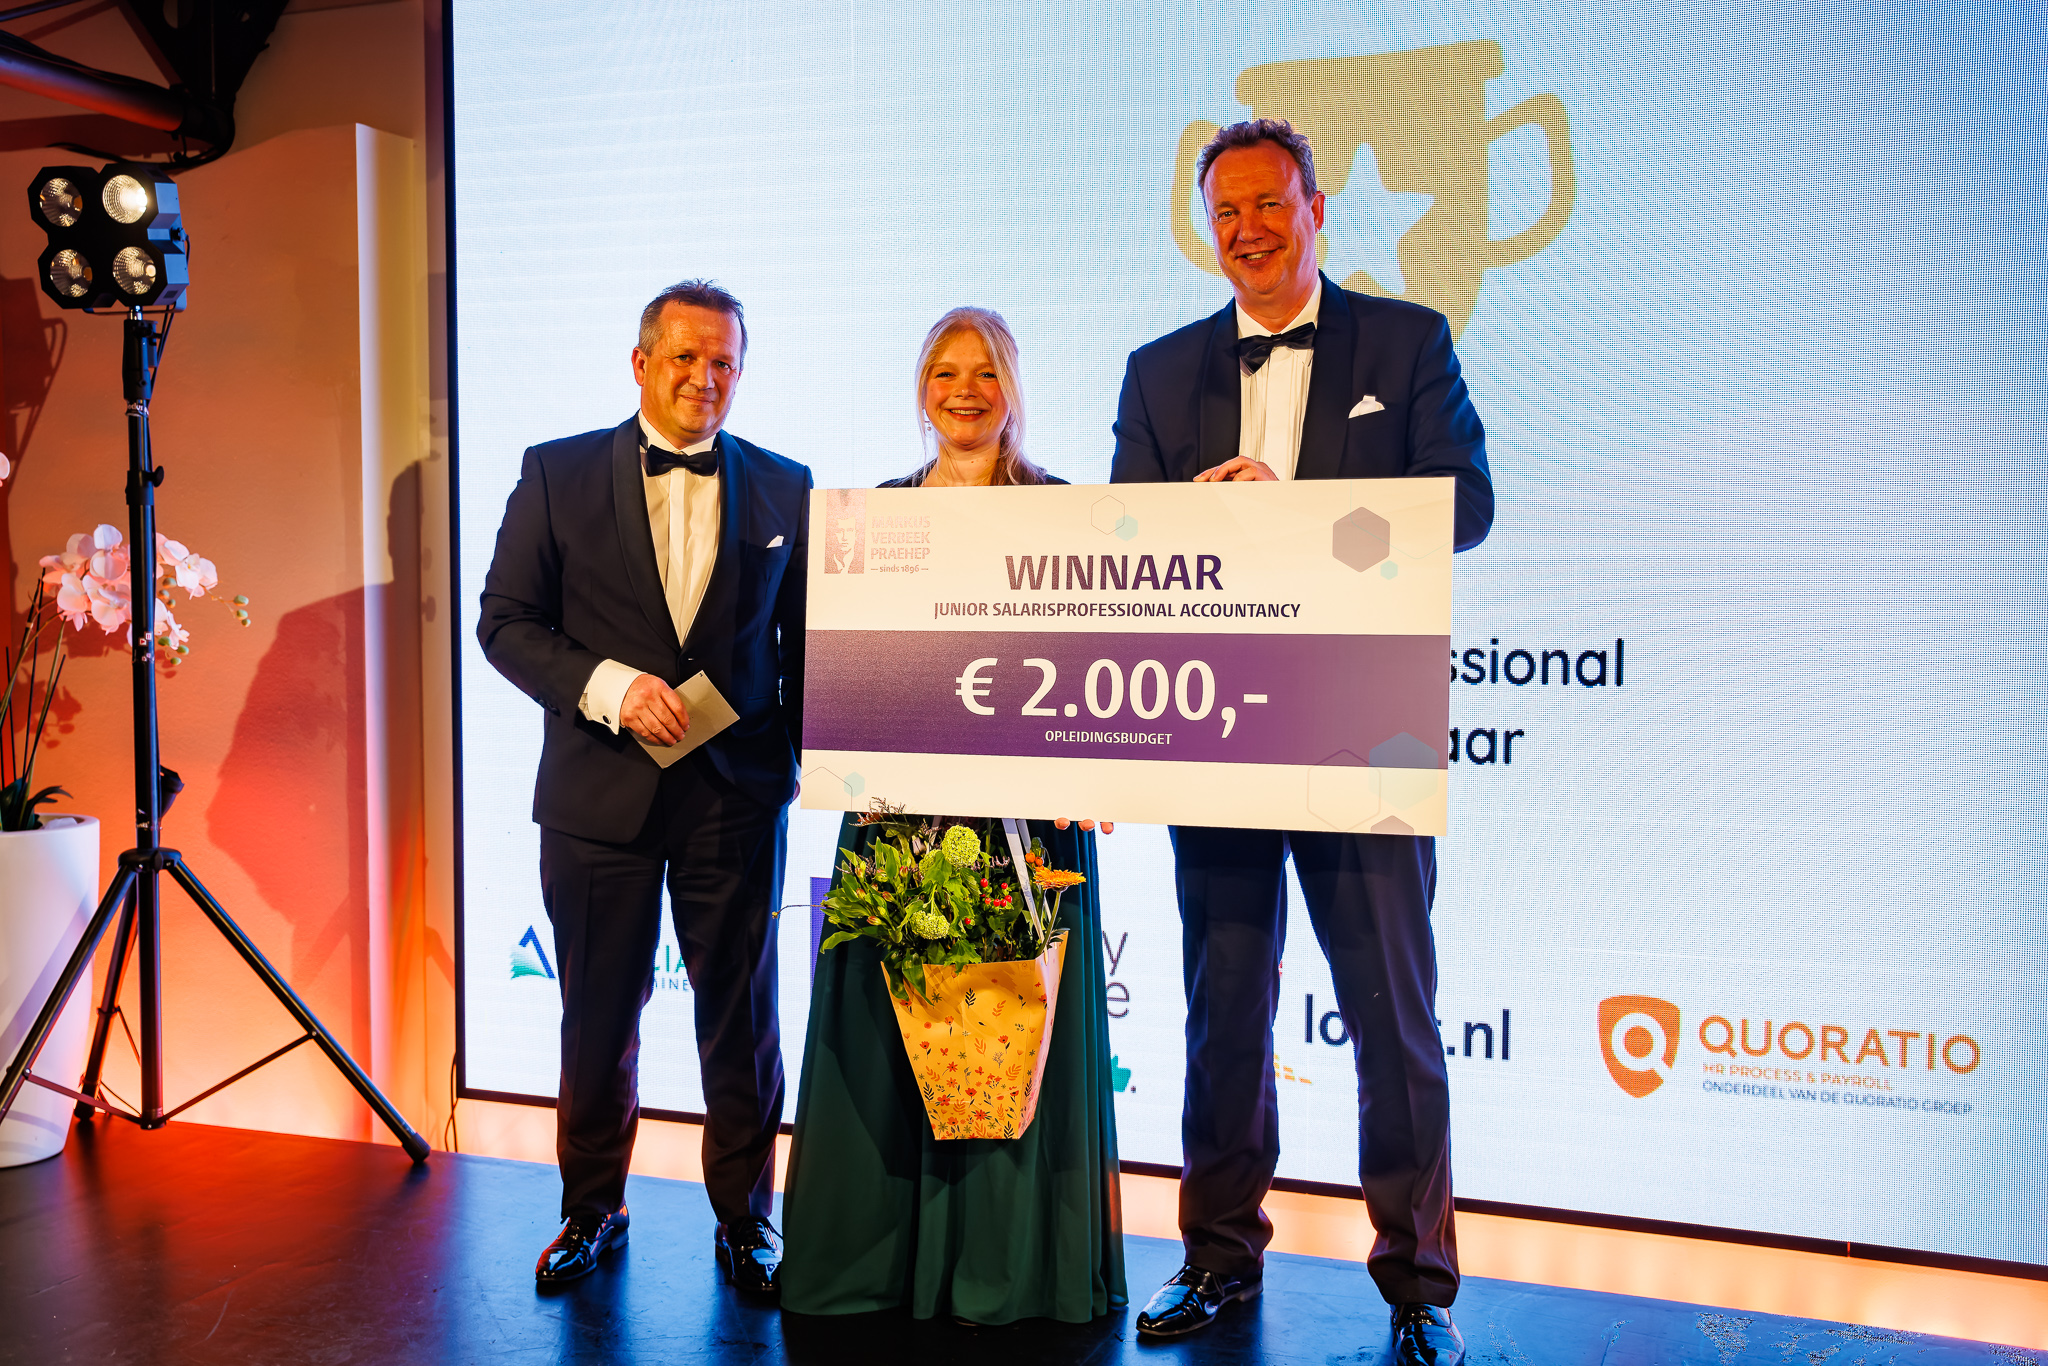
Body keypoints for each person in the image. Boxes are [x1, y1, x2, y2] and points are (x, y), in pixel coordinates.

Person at [1110, 120, 1494, 1365]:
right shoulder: (1158, 372)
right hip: (1213, 731)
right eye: (1225, 211)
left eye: (1268, 204)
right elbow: (1120, 548)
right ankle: (1216, 1256)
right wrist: (1194, 522)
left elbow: (1466, 504)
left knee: (1391, 1016)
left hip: (1358, 722)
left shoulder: (1404, 341)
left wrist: (1302, 518)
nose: (1248, 229)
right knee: (1222, 1013)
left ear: (1316, 210)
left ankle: (1418, 1284)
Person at [778, 307, 1128, 1325]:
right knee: (889, 1037)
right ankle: (875, 1261)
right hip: (897, 820)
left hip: (1029, 827)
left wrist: (1104, 776)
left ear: (1012, 387)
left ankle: (1009, 1268)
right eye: (944, 371)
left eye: (984, 372)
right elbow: (828, 668)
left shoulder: (1064, 515)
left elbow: (1099, 665)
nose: (964, 391)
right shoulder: (873, 521)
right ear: (920, 388)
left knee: (1015, 1028)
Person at [478, 279, 811, 1293]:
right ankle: (591, 1210)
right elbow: (505, 622)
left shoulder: (787, 485)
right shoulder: (557, 471)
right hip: (598, 799)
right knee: (595, 1018)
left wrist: (814, 764)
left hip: (733, 800)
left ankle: (747, 1220)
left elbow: (810, 650)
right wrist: (611, 689)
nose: (704, 378)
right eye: (685, 358)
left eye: (724, 363)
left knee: (741, 1023)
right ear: (640, 363)